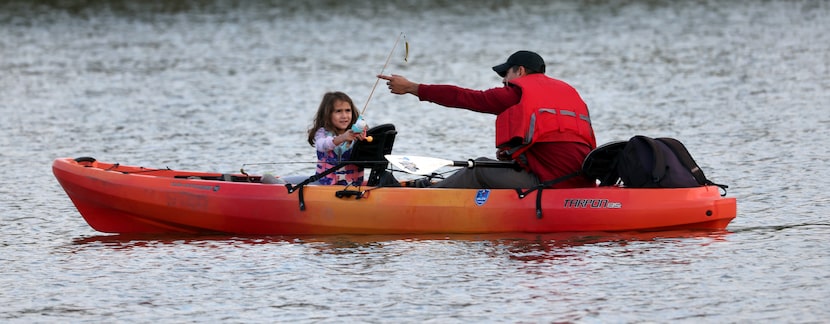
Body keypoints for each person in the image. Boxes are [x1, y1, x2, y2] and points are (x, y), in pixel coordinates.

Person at [378, 50, 597, 189]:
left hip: (552, 183)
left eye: (506, 74)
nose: (504, 80)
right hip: (581, 179)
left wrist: (412, 88)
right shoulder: (570, 94)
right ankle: (431, 185)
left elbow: (465, 97)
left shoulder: (518, 94)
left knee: (480, 168)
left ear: (520, 71)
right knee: (497, 165)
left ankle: (425, 195)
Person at [306, 91, 368, 186]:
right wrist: (343, 138)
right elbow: (322, 145)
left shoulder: (357, 134)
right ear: (327, 114)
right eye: (338, 111)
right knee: (284, 182)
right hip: (324, 185)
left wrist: (364, 142)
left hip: (353, 186)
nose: (344, 116)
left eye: (347, 110)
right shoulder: (322, 133)